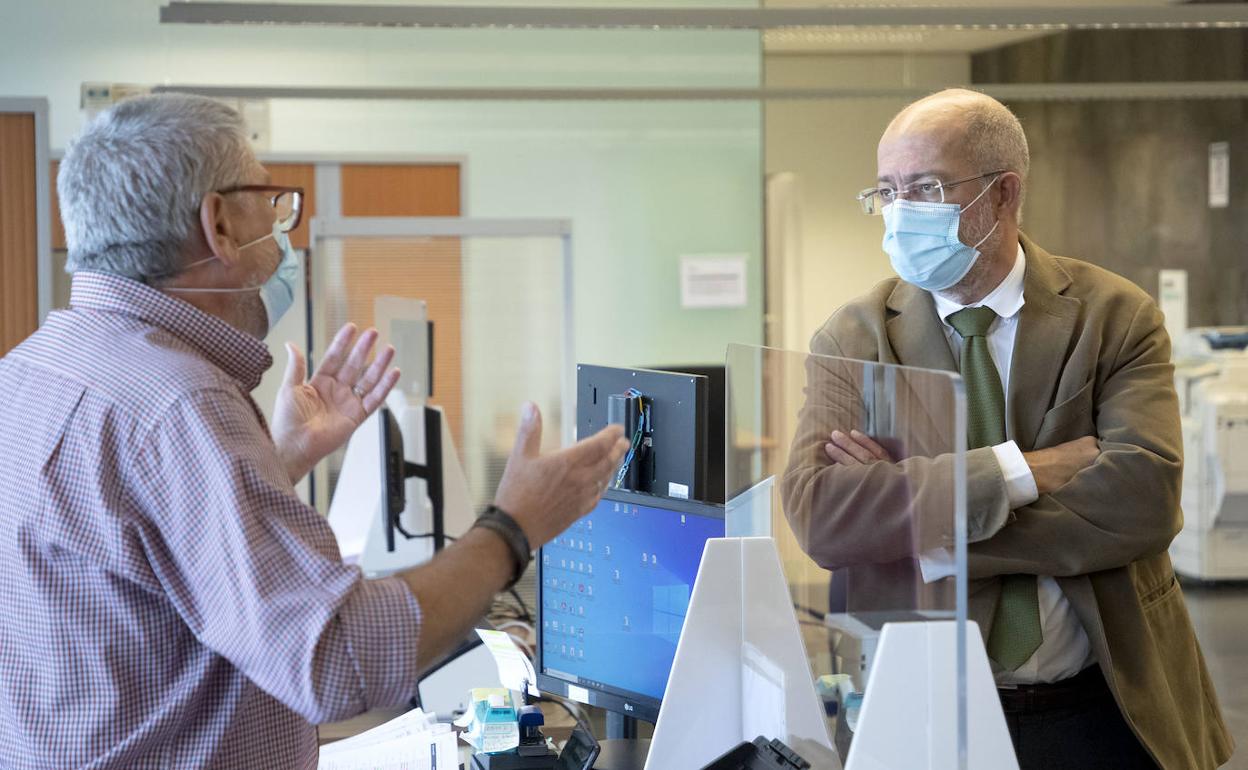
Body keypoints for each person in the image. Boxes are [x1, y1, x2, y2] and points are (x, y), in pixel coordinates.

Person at [0, 94, 628, 769]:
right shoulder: (182, 402)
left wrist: (278, 459)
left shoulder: (30, 371)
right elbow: (334, 656)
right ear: (218, 224)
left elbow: (140, 558)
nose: (281, 233)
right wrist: (515, 527)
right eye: (269, 205)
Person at [781, 89, 1232, 769]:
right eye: (886, 191)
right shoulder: (854, 337)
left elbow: (1142, 502)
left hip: (1103, 707)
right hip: (925, 705)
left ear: (1002, 194)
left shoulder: (1115, 316)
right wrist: (1024, 472)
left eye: (926, 187)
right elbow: (820, 518)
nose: (900, 212)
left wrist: (922, 536)